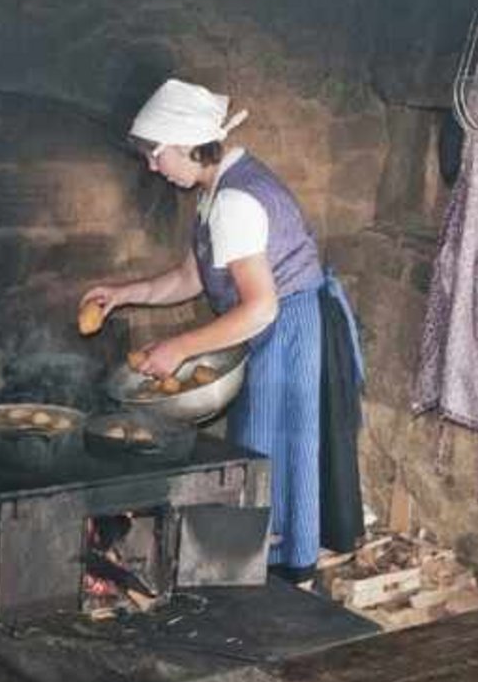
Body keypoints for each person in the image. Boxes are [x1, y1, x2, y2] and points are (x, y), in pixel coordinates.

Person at [82, 78, 362, 582]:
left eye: (156, 154)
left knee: (270, 453)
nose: (151, 165)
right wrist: (124, 293)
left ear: (190, 146)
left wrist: (178, 348)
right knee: (261, 453)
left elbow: (259, 309)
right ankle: (265, 567)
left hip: (289, 332)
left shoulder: (236, 202)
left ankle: (280, 576)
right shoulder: (217, 190)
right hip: (278, 325)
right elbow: (191, 276)